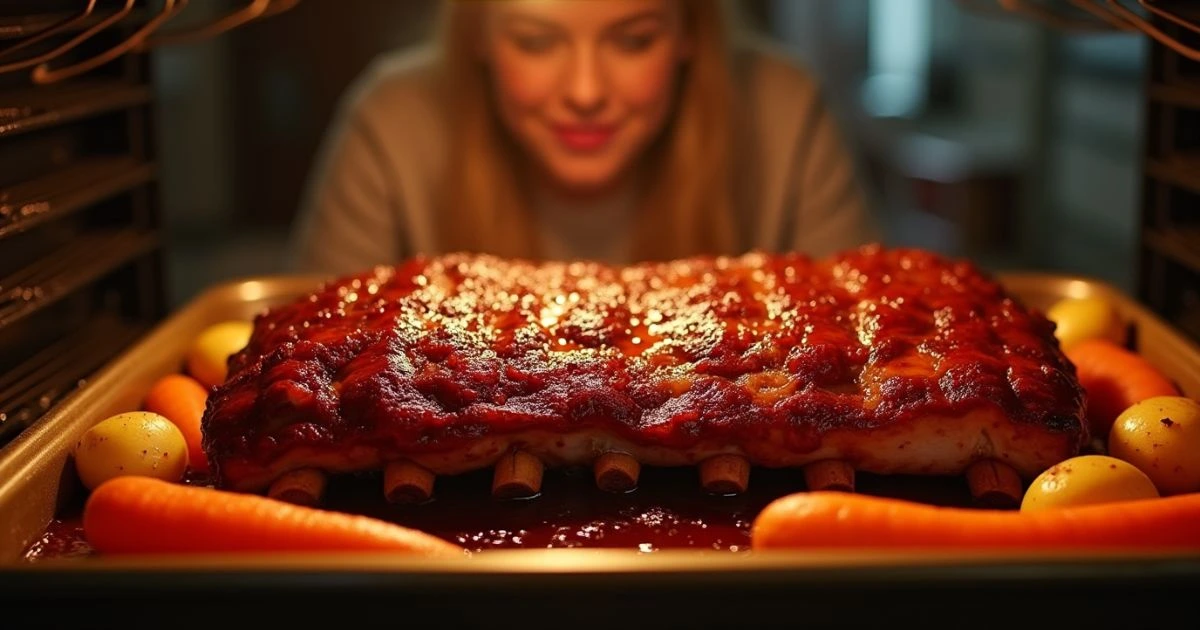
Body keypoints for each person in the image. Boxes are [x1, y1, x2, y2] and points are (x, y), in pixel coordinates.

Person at [289, 0, 878, 275]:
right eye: (537, 42)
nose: (586, 91)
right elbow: (311, 364)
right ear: (479, 38)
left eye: (633, 41)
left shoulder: (783, 107)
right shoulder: (392, 119)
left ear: (688, 35)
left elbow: (869, 346)